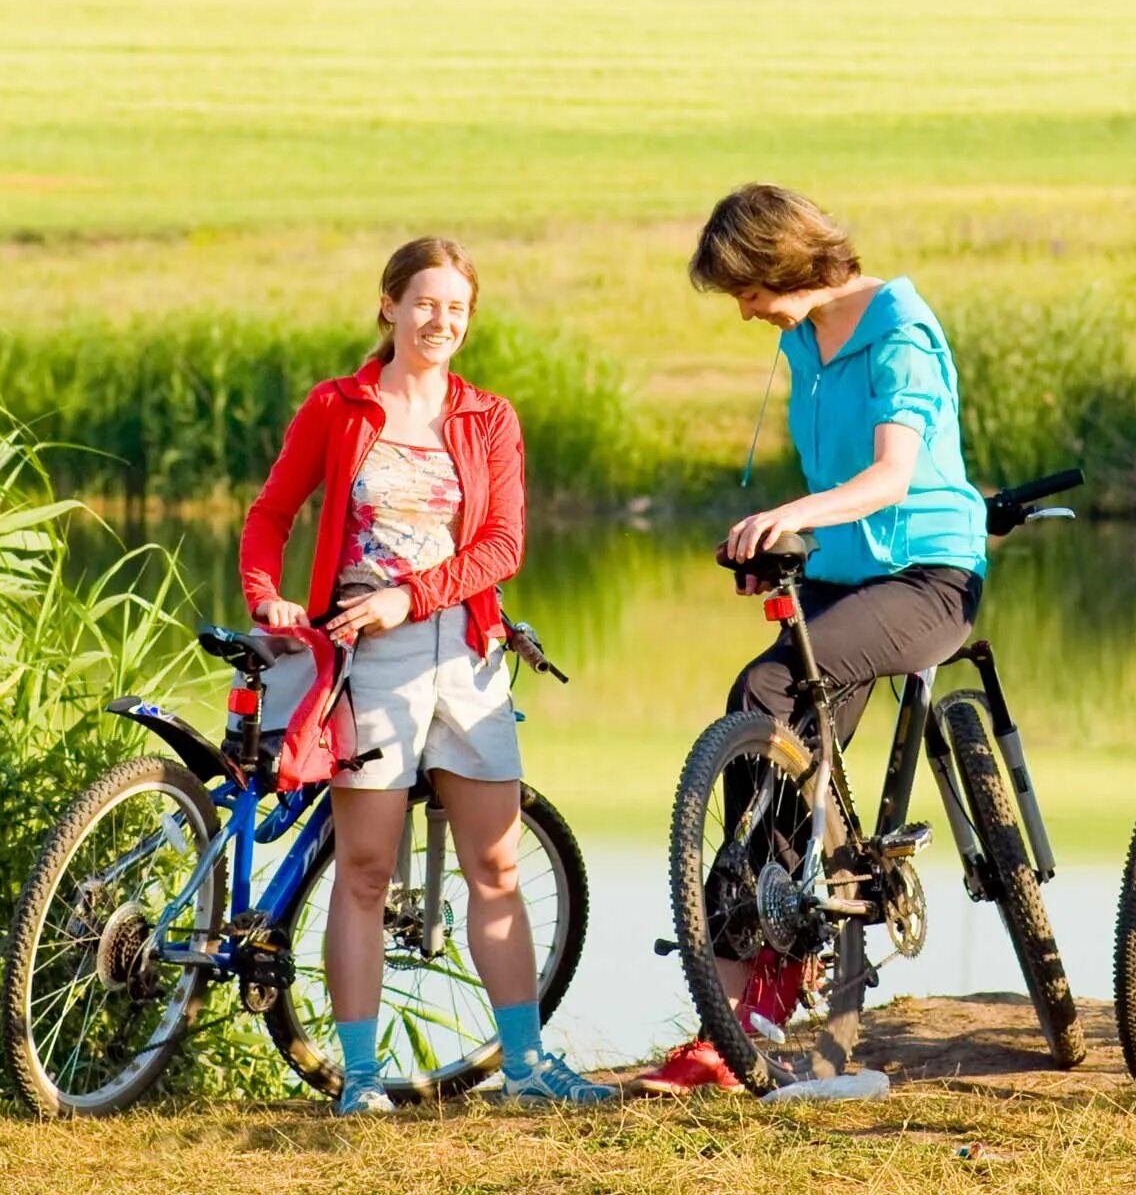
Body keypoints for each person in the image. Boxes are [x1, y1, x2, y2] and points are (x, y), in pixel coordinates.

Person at [240, 237, 612, 1113]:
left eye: (457, 308)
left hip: (470, 651)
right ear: (389, 306)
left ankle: (525, 1068)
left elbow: (504, 546)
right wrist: (269, 598)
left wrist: (414, 597)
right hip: (369, 658)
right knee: (367, 868)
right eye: (425, 303)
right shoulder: (339, 407)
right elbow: (272, 513)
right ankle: (359, 1079)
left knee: (495, 863)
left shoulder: (489, 417)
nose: (440, 321)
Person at [633, 183, 986, 1095]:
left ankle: (766, 970)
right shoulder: (803, 340)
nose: (745, 310)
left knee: (774, 697)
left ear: (783, 264)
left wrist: (791, 514)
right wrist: (786, 547)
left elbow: (890, 476)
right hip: (841, 573)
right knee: (761, 704)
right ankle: (745, 1001)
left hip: (927, 577)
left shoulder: (900, 331)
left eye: (747, 287)